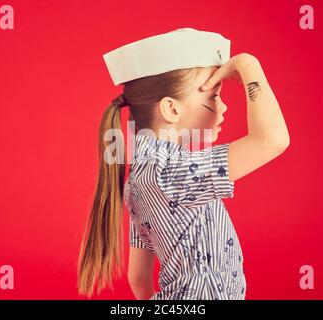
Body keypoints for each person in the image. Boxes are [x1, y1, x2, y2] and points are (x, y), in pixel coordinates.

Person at [77, 28, 290, 299]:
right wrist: (248, 64)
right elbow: (271, 139)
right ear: (172, 109)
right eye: (213, 96)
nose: (223, 107)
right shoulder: (172, 172)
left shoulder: (141, 176)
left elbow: (138, 278)